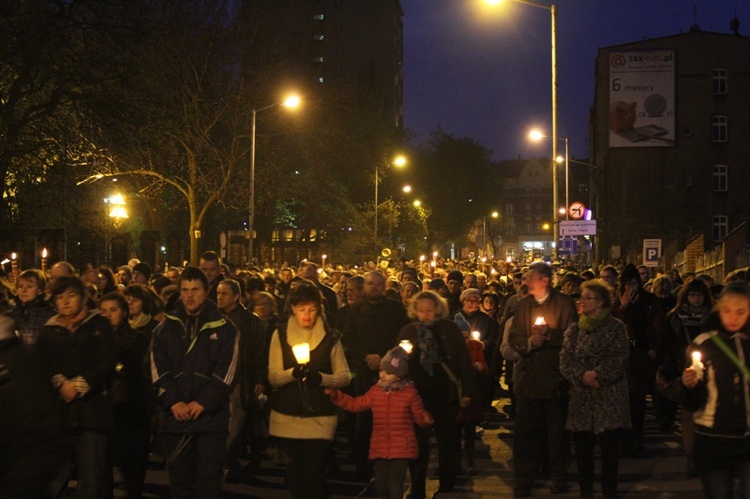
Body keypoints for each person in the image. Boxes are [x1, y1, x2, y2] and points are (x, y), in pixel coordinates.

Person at [150, 266, 238, 499]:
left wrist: (203, 403)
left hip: (210, 418)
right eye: (185, 290)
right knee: (179, 480)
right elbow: (158, 370)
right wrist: (174, 401)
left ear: (207, 291)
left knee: (209, 480)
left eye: (195, 290)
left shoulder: (226, 328)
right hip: (175, 417)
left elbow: (227, 372)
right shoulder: (164, 328)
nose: (189, 296)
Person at [35, 275, 118, 498]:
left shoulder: (99, 325)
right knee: (56, 479)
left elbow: (107, 360)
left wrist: (81, 384)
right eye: (60, 297)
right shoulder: (49, 332)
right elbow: (42, 364)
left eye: (71, 296)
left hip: (93, 413)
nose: (66, 302)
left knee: (92, 479)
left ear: (82, 298)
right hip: (60, 415)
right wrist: (60, 383)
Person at [267, 281, 350, 498]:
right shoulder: (280, 334)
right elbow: (273, 376)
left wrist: (320, 378)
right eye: (302, 309)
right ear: (293, 308)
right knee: (295, 475)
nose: (307, 315)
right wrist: (292, 374)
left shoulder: (330, 337)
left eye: (312, 310)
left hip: (319, 416)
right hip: (286, 415)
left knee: (314, 474)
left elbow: (344, 376)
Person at [396, 290, 475, 498]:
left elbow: (463, 361)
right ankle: (417, 486)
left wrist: (467, 390)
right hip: (417, 395)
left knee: (447, 441)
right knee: (418, 444)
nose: (425, 315)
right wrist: (403, 356)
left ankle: (447, 484)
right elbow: (397, 365)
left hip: (444, 393)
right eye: (421, 310)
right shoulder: (407, 331)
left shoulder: (449, 329)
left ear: (438, 309)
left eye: (429, 310)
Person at [326, 346, 433, 499]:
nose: (382, 375)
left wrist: (425, 418)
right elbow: (357, 404)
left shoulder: (409, 392)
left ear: (399, 375)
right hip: (381, 445)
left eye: (388, 372)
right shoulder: (376, 391)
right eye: (381, 371)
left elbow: (418, 414)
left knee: (395, 486)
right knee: (381, 487)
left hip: (401, 447)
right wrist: (337, 396)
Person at [508, 261, 577, 496]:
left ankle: (559, 477)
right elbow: (514, 336)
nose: (526, 281)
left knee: (557, 434)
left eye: (530, 277)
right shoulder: (523, 305)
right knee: (525, 434)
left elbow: (573, 336)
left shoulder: (564, 304)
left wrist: (551, 336)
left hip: (555, 378)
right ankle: (524, 478)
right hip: (528, 379)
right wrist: (528, 343)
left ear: (545, 281)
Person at [560, 280, 630, 499]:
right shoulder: (574, 329)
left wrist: (598, 375)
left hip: (608, 398)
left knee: (609, 453)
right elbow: (565, 359)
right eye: (582, 297)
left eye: (587, 297)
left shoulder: (617, 327)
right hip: (582, 400)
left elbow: (619, 358)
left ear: (600, 302)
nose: (581, 301)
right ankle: (586, 492)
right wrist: (583, 376)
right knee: (583, 454)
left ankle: (609, 492)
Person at [681, 282, 750, 499]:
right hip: (713, 440)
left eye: (741, 311)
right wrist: (689, 385)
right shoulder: (704, 343)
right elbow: (692, 402)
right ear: (718, 308)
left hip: (747, 439)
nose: (733, 317)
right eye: (727, 310)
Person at [343, 271, 409, 480]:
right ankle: (363, 465)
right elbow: (349, 339)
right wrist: (366, 357)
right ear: (365, 287)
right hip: (363, 371)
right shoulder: (355, 311)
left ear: (384, 286)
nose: (374, 287)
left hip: (389, 372)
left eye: (378, 284)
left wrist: (386, 358)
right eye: (370, 284)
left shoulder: (396, 310)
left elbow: (402, 338)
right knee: (363, 420)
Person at [99, 292, 151, 498]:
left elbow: (140, 372)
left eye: (113, 310)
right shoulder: (95, 339)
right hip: (103, 407)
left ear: (123, 312)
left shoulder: (139, 339)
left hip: (131, 407)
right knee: (102, 464)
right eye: (103, 311)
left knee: (132, 463)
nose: (108, 315)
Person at [216, 279, 266, 480]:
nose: (219, 297)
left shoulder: (249, 321)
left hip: (240, 378)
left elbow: (259, 351)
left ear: (236, 296)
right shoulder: (214, 317)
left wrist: (260, 379)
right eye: (218, 293)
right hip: (219, 379)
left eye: (224, 294)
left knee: (236, 425)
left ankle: (227, 463)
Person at [666, 278, 712, 475]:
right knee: (687, 413)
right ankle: (690, 455)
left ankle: (705, 453)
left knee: (708, 412)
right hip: (684, 368)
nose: (696, 298)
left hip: (710, 369)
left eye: (699, 294)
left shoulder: (712, 317)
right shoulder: (676, 317)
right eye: (692, 294)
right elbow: (667, 343)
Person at [454, 287, 499, 413]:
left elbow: (493, 337)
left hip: (480, 358)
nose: (471, 304)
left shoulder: (486, 320)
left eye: (474, 301)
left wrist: (482, 345)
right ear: (463, 301)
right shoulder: (455, 318)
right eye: (468, 301)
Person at [454, 315, 488, 475]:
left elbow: (484, 368)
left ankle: (469, 460)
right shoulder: (452, 349)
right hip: (456, 392)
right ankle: (455, 461)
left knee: (469, 430)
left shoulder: (475, 348)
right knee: (455, 430)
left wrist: (480, 367)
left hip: (471, 392)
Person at [11, 268, 56, 349]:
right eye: (20, 286)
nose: (24, 291)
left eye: (29, 286)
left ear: (40, 290)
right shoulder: (14, 312)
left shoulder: (48, 312)